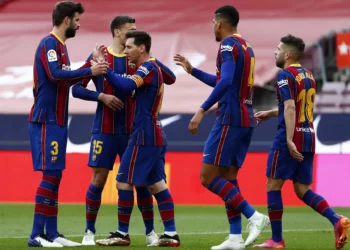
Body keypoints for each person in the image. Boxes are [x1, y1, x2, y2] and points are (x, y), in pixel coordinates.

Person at [72, 16, 176, 246]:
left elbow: (170, 77)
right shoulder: (99, 57)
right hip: (105, 129)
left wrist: (151, 57)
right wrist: (101, 96)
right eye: (132, 30)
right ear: (118, 33)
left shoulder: (140, 60)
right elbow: (76, 90)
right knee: (98, 179)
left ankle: (150, 232)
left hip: (134, 131)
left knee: (142, 182)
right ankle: (89, 231)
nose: (136, 32)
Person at [174, 5, 269, 250]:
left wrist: (202, 109)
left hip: (229, 117)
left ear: (219, 23)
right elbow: (223, 79)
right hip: (246, 117)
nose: (212, 28)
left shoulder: (227, 45)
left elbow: (225, 82)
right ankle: (235, 237)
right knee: (228, 177)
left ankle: (254, 216)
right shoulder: (246, 47)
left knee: (207, 177)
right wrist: (193, 71)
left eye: (212, 23)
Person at [253, 34, 350, 249]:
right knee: (302, 188)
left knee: (272, 184)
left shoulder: (284, 75)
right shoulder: (309, 75)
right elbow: (297, 105)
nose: (275, 53)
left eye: (278, 49)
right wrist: (270, 113)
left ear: (287, 54)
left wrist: (288, 139)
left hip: (291, 135)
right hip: (308, 133)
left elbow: (289, 107)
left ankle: (277, 240)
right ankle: (337, 220)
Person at [27, 1, 108, 247]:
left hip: (59, 120)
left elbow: (67, 81)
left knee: (56, 176)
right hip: (45, 119)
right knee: (50, 175)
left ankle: (52, 233)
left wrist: (89, 63)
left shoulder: (61, 47)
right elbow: (55, 75)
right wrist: (90, 71)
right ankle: (35, 236)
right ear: (66, 21)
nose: (79, 24)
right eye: (77, 20)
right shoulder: (49, 44)